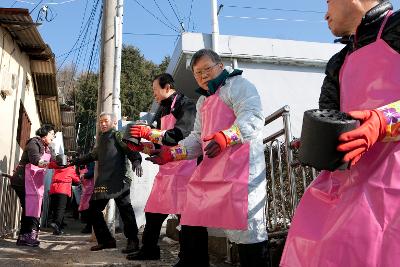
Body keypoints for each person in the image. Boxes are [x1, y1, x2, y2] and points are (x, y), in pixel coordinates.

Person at [280, 1, 400, 266]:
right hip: (348, 178)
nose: (325, 14)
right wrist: (319, 141)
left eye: (329, 1)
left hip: (394, 178)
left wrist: (383, 120)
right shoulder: (339, 61)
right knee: (314, 246)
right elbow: (332, 115)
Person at [147, 49, 269, 267]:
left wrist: (226, 136)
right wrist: (170, 153)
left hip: (240, 172)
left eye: (207, 69)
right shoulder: (203, 101)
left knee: (248, 231)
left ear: (220, 66)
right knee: (192, 215)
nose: (202, 76)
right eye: (197, 73)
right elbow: (196, 138)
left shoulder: (240, 86)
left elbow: (253, 117)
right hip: (211, 171)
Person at [124, 73, 198, 263]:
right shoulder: (161, 109)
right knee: (153, 211)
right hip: (166, 169)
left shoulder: (186, 104)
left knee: (187, 217)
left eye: (155, 90)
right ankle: (149, 250)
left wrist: (149, 133)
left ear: (167, 87)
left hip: (185, 167)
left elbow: (180, 135)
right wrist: (142, 146)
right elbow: (159, 143)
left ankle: (189, 258)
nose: (154, 94)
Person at [71, 112, 143, 253]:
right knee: (93, 209)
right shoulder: (101, 139)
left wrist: (136, 160)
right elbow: (93, 155)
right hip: (105, 179)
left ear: (114, 123)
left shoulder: (118, 135)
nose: (102, 124)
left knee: (125, 209)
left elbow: (130, 148)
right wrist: (75, 161)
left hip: (120, 178)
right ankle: (107, 241)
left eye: (105, 121)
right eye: (100, 122)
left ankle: (133, 241)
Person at [11, 124, 60, 247]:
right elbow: (35, 159)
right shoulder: (34, 142)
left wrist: (65, 162)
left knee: (33, 207)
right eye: (52, 134)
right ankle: (27, 236)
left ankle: (24, 237)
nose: (53, 137)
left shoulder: (48, 148)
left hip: (33, 182)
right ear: (45, 133)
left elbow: (55, 160)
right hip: (22, 180)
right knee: (30, 207)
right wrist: (47, 164)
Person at [48, 159, 80, 235]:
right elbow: (77, 180)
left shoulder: (56, 167)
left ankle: (57, 229)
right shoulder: (70, 169)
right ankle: (57, 224)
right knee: (61, 209)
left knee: (55, 208)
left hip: (53, 189)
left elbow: (50, 164)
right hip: (63, 190)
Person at [78, 162, 95, 234]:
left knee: (88, 208)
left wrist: (84, 175)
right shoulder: (88, 164)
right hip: (87, 189)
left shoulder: (91, 163)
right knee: (86, 208)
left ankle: (89, 227)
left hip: (90, 189)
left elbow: (91, 173)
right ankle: (89, 226)